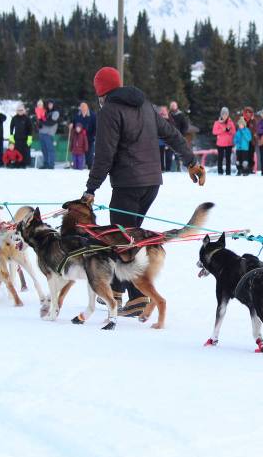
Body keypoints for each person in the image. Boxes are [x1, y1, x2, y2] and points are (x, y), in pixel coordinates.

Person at [83, 66, 206, 316]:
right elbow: (172, 134)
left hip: (128, 184)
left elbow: (104, 155)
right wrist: (191, 161)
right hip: (151, 184)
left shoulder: (109, 111)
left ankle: (138, 297)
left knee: (123, 240)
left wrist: (91, 188)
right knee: (127, 237)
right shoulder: (145, 105)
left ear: (101, 92)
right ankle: (116, 291)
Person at [212, 107, 236, 175]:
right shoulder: (217, 122)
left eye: (226, 114)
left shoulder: (230, 122)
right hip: (220, 143)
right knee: (220, 158)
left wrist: (229, 130)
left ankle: (228, 172)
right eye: (223, 114)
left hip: (229, 143)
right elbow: (214, 132)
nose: (224, 116)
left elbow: (234, 132)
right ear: (221, 115)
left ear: (228, 114)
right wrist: (223, 130)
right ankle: (220, 171)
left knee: (228, 159)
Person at [9, 103, 34, 168]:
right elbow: (11, 127)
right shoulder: (14, 118)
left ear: (24, 110)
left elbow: (30, 128)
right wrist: (11, 135)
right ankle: (17, 163)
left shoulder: (27, 118)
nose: (20, 111)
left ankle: (24, 164)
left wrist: (30, 138)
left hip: (25, 138)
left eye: (21, 110)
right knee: (17, 151)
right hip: (17, 138)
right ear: (17, 111)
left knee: (25, 151)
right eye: (19, 110)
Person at [37, 100, 60, 169]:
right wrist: (39, 123)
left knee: (50, 149)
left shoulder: (56, 112)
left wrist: (42, 122)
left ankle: (51, 164)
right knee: (44, 149)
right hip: (41, 133)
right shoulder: (45, 111)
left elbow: (51, 122)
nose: (50, 106)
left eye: (51, 104)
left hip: (49, 133)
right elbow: (40, 118)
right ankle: (46, 163)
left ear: (53, 105)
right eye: (49, 104)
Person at [169, 101, 190, 171]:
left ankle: (178, 168)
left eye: (174, 106)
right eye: (172, 106)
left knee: (178, 153)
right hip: (169, 136)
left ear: (177, 106)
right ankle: (168, 169)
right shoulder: (169, 115)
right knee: (169, 153)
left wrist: (182, 134)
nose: (173, 107)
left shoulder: (181, 115)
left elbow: (185, 126)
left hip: (178, 137)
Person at [78, 102, 97, 169]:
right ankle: (81, 164)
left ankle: (90, 165)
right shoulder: (78, 115)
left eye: (84, 106)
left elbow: (96, 126)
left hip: (90, 137)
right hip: (80, 137)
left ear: (87, 107)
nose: (83, 108)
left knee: (90, 152)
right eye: (81, 107)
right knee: (80, 151)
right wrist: (72, 124)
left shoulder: (93, 115)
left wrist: (94, 134)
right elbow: (74, 122)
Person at [157, 105, 173, 172]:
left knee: (168, 157)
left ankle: (168, 169)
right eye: (162, 110)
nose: (163, 111)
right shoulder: (157, 118)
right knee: (160, 156)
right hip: (159, 140)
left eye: (164, 110)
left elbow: (173, 128)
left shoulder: (171, 119)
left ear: (167, 111)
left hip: (168, 140)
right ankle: (162, 169)